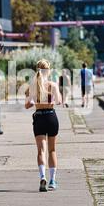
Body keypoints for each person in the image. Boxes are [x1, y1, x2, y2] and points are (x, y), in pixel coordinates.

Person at [25, 59, 62, 192]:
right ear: (49, 70)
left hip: (39, 117)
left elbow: (27, 105)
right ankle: (52, 181)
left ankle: (42, 177)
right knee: (52, 150)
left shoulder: (33, 86)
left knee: (41, 150)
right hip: (51, 117)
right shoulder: (53, 85)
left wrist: (35, 99)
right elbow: (59, 101)